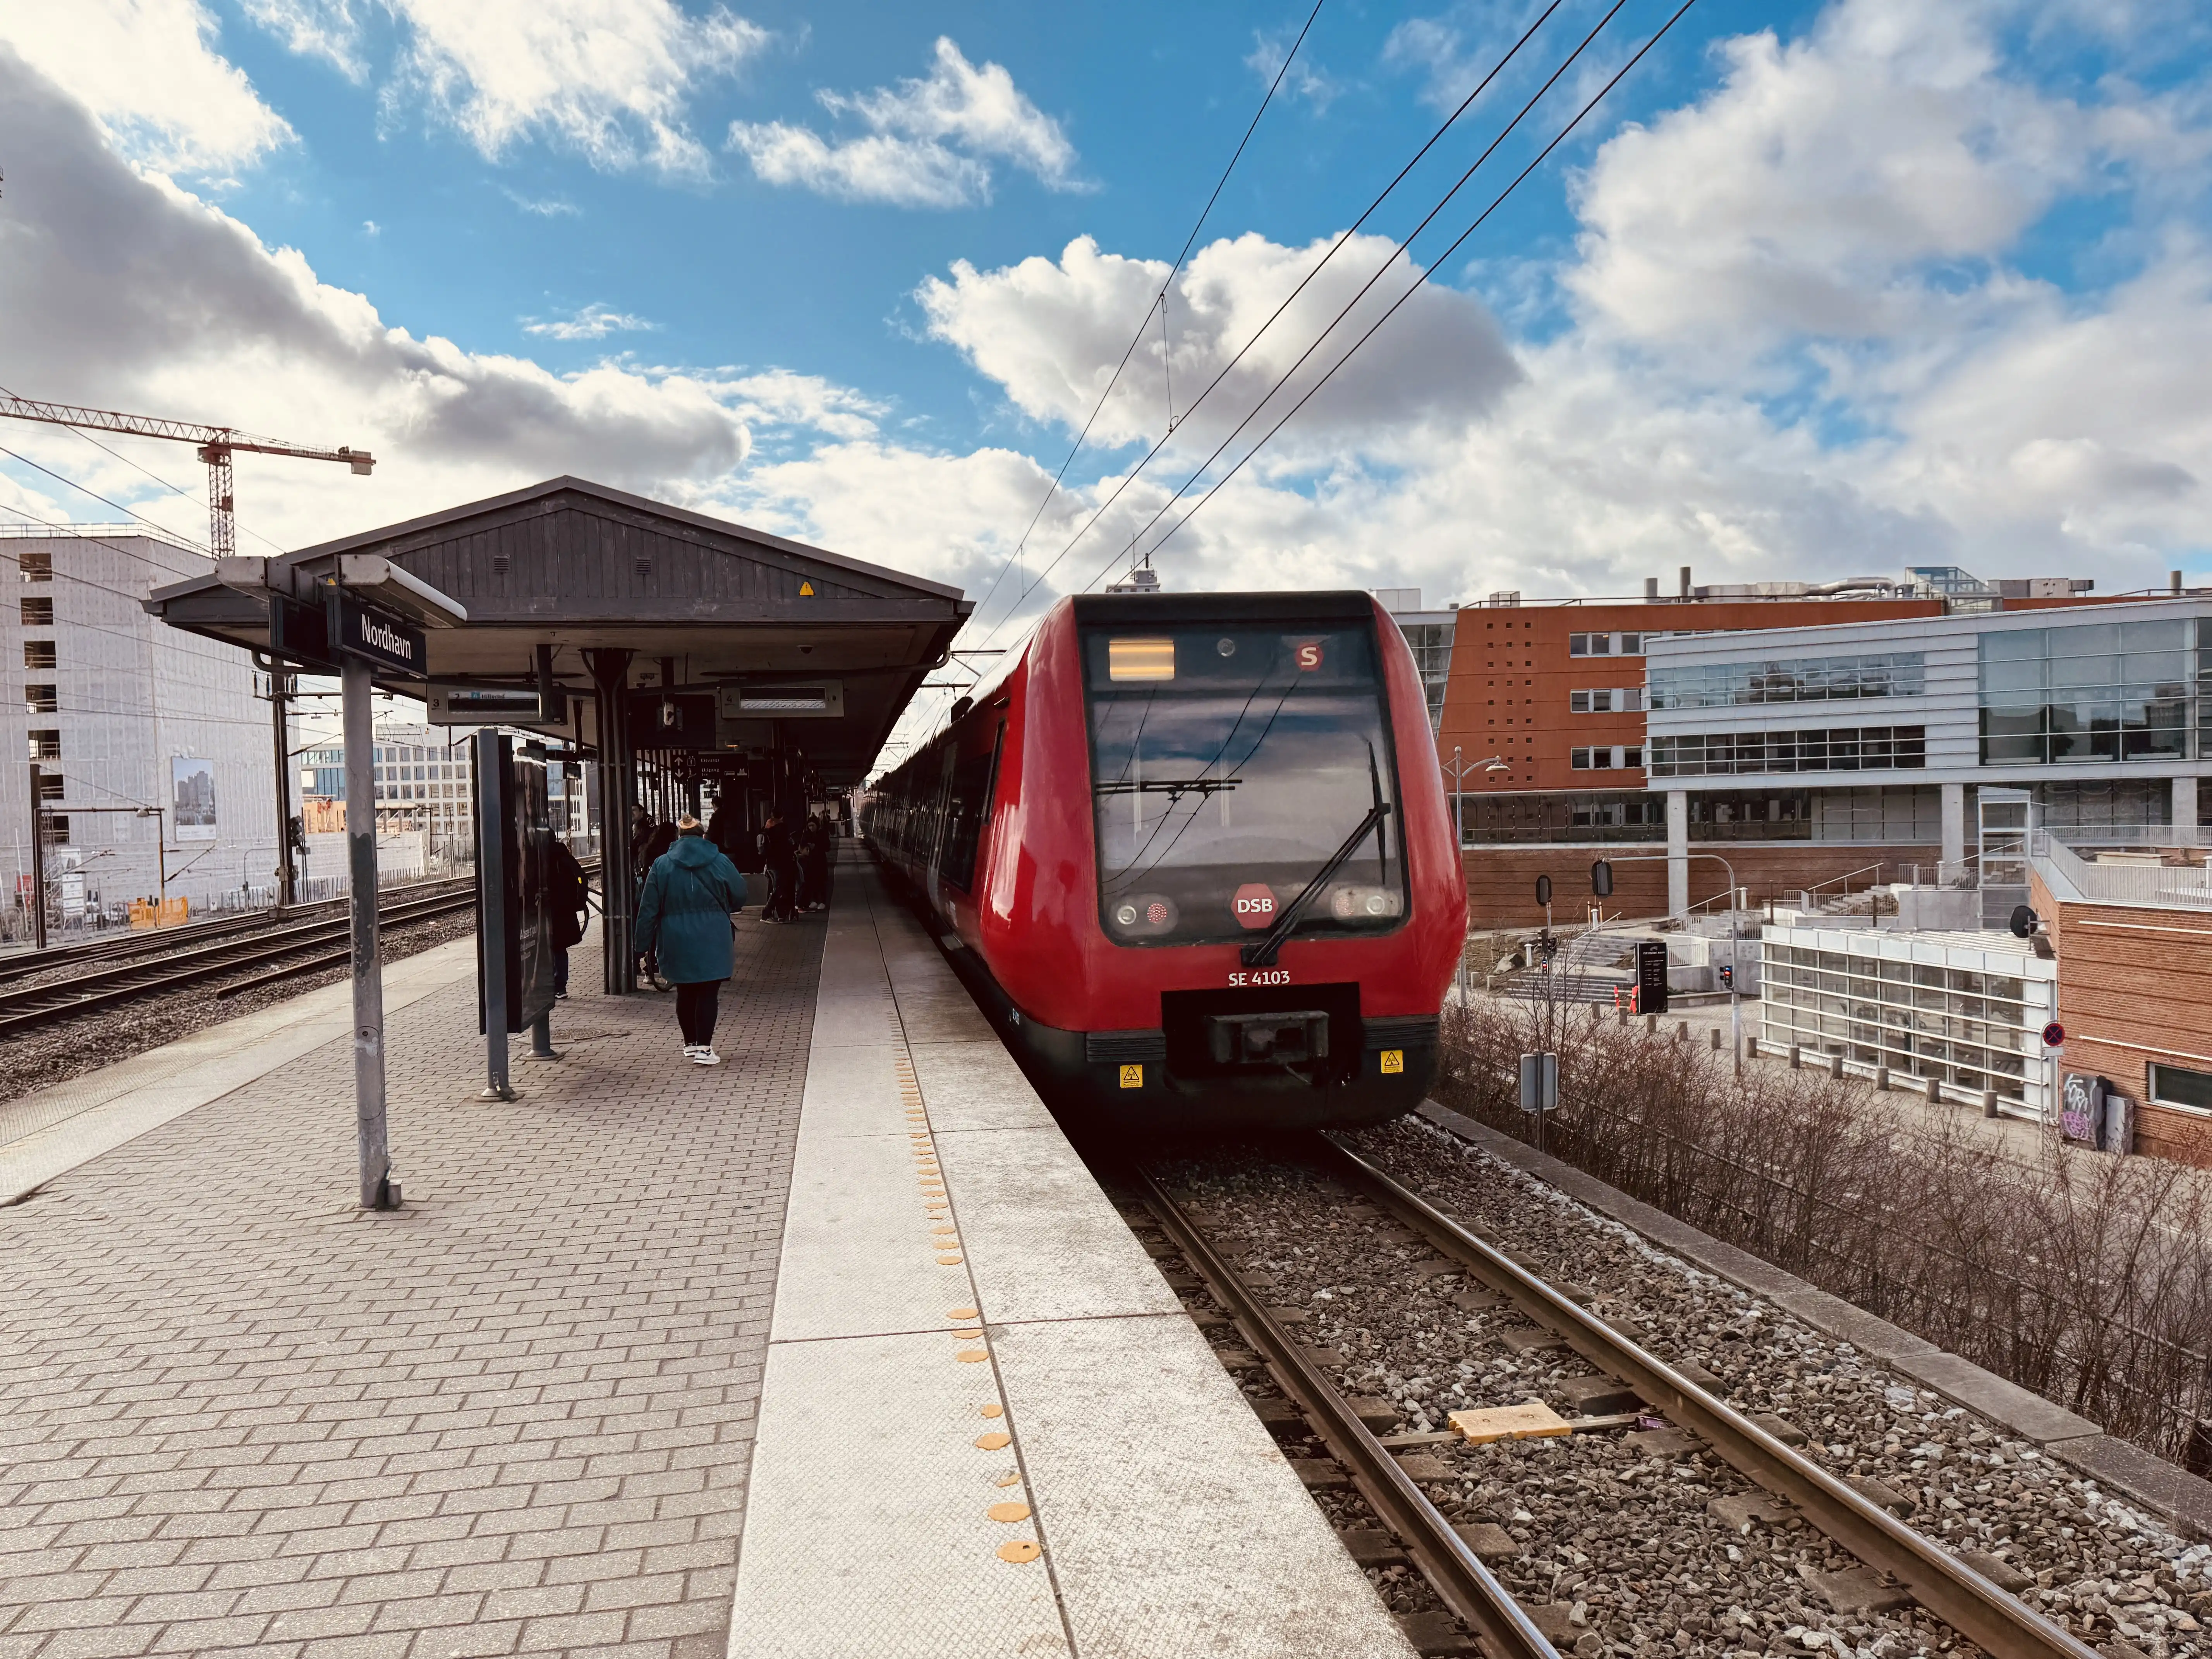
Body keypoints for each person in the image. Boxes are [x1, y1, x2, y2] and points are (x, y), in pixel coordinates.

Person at [634, 814, 746, 1066]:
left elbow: (648, 908)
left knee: (684, 992)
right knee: (708, 992)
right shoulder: (719, 861)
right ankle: (705, 1050)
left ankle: (691, 1044)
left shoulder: (661, 865)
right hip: (713, 936)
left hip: (675, 938)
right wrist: (725, 907)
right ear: (702, 835)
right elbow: (740, 892)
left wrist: (640, 946)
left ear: (679, 837)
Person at [546, 836, 589, 999]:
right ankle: (560, 987)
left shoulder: (544, 859)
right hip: (566, 911)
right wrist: (577, 904)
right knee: (559, 949)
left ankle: (552, 985)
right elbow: (581, 879)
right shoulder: (566, 858)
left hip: (549, 911)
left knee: (550, 949)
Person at [759, 811, 799, 923]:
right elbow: (787, 846)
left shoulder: (768, 828)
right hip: (781, 864)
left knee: (777, 889)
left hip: (771, 864)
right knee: (780, 889)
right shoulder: (782, 829)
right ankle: (767, 913)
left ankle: (779, 914)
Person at [799, 813, 831, 912]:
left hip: (820, 861)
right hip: (810, 862)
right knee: (811, 881)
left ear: (817, 825)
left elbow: (827, 847)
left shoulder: (823, 833)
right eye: (810, 826)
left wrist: (816, 846)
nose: (811, 828)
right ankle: (814, 901)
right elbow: (802, 844)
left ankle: (822, 901)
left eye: (813, 826)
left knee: (821, 881)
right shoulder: (806, 833)